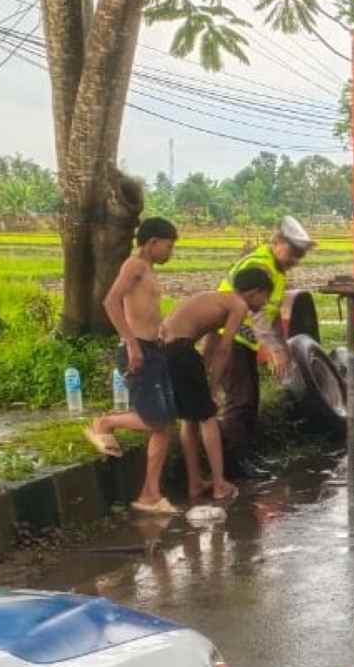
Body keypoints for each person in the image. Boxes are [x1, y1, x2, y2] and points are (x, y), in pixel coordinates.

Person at [83, 217, 180, 514]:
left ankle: (150, 494)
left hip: (153, 349)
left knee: (165, 424)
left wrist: (161, 330)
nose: (171, 252)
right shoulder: (134, 266)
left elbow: (145, 310)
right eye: (169, 246)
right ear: (153, 242)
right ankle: (105, 423)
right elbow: (110, 302)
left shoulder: (147, 270)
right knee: (157, 422)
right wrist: (132, 344)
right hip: (138, 350)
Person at [155, 268, 274, 504]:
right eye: (266, 297)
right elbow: (224, 349)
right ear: (254, 292)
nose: (266, 303)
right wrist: (213, 387)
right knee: (208, 417)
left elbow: (210, 342)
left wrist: (204, 374)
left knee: (189, 419)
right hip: (180, 351)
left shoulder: (218, 300)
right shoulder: (238, 305)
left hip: (166, 350)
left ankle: (195, 483)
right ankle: (220, 485)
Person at [216, 215, 313, 477]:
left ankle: (246, 455)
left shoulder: (277, 271)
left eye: (300, 256)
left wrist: (283, 348)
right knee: (240, 401)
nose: (295, 260)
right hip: (229, 338)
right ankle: (233, 464)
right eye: (293, 253)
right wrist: (273, 351)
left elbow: (272, 315)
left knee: (251, 400)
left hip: (244, 341)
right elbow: (256, 316)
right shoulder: (260, 265)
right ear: (277, 242)